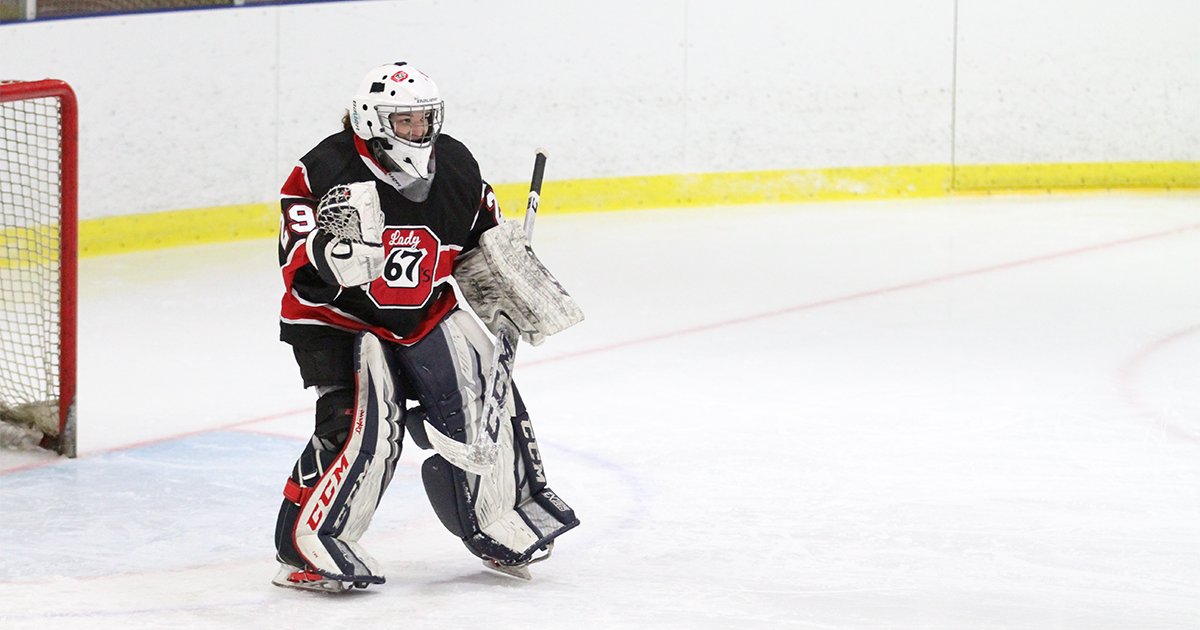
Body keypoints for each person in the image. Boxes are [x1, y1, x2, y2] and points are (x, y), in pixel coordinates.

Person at [272, 61, 582, 592]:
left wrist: (506, 275)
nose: (418, 132)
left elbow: (478, 241)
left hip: (424, 313)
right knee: (362, 425)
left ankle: (502, 514)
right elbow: (299, 254)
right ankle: (309, 543)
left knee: (483, 394)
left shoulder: (456, 165)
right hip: (340, 321)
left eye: (424, 119)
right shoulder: (327, 167)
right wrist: (329, 251)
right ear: (372, 121)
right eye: (405, 121)